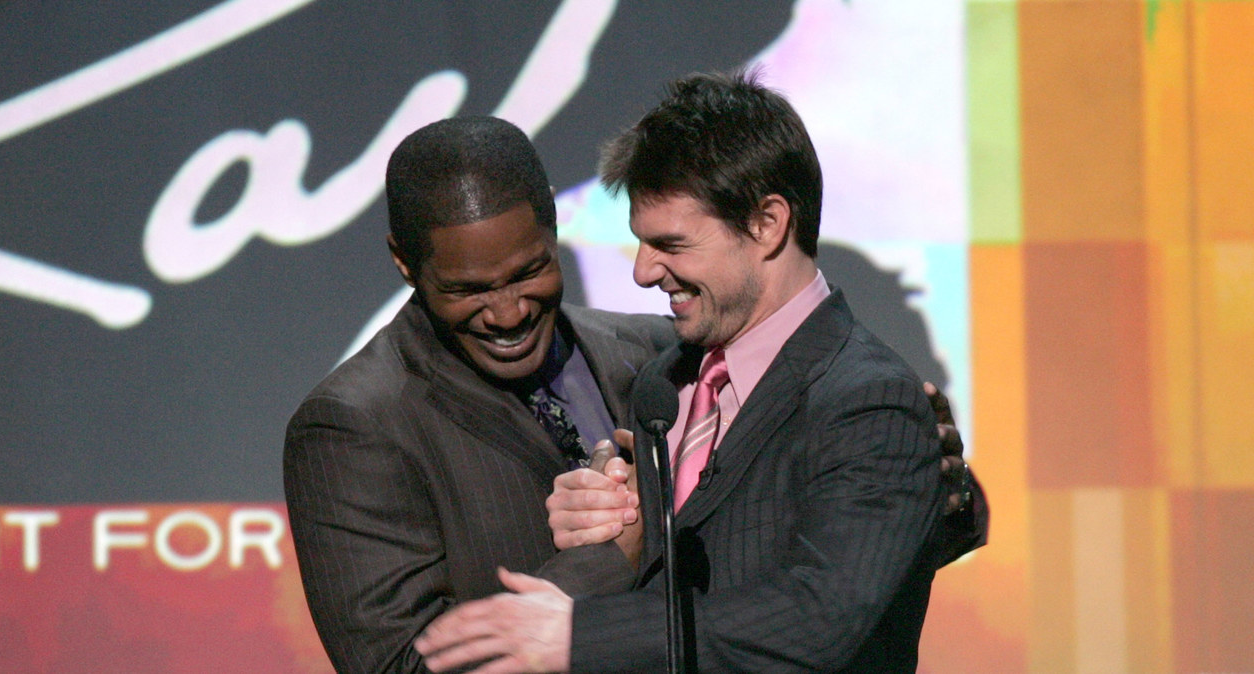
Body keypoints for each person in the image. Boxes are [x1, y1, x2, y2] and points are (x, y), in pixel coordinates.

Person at [286, 114, 980, 673]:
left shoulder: (659, 358)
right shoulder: (354, 424)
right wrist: (602, 564)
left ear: (552, 230)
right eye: (468, 289)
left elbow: (799, 572)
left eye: (529, 271)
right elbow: (403, 666)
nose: (506, 310)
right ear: (406, 264)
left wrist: (930, 490)